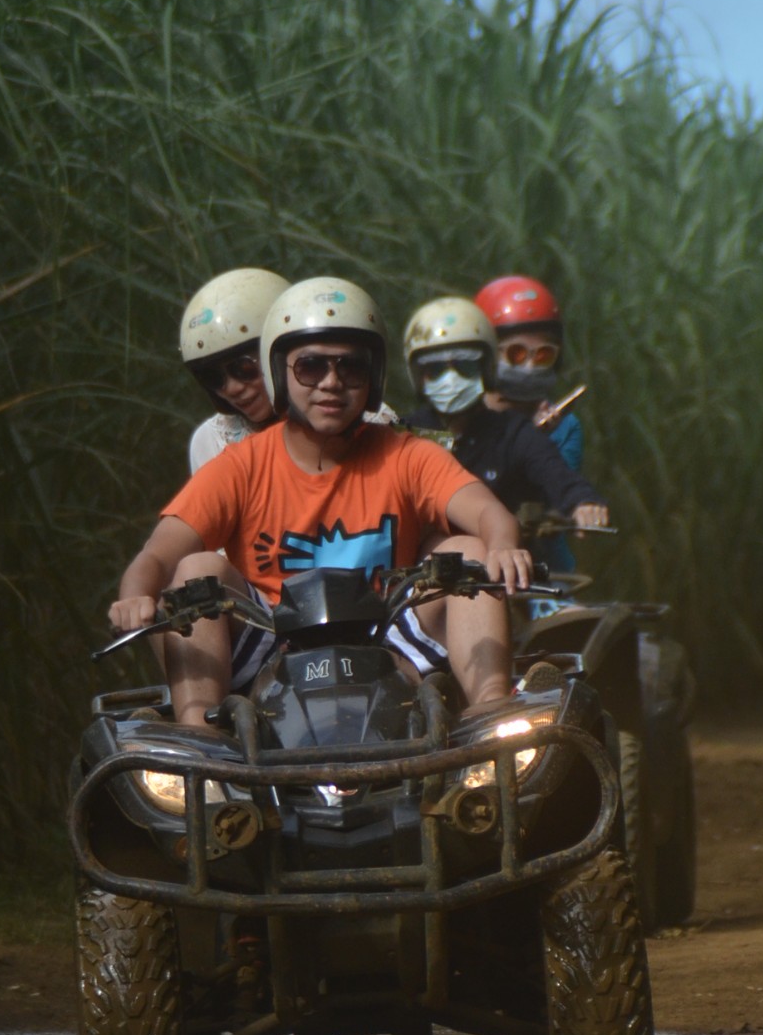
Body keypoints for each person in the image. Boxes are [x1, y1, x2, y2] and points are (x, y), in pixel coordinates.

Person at [111, 278, 533, 727]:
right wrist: (134, 596)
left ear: (373, 378)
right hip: (274, 645)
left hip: (386, 641)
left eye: (351, 368)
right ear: (279, 372)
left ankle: (491, 717)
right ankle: (200, 737)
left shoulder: (408, 453)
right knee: (196, 571)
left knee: (468, 552)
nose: (331, 383)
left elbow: (489, 513)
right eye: (310, 367)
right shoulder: (240, 465)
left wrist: (503, 544)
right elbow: (158, 552)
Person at [401, 297, 609, 549]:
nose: (451, 379)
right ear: (418, 376)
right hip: (413, 576)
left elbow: (556, 474)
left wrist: (583, 503)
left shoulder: (514, 433)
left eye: (465, 366)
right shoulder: (402, 435)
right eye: (435, 370)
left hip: (504, 572)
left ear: (486, 369)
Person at [180, 268, 291, 474]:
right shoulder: (212, 441)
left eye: (244, 368)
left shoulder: (346, 412)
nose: (232, 388)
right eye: (213, 378)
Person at [473, 274, 581, 466]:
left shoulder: (563, 427)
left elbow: (563, 491)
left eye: (543, 355)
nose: (530, 367)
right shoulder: (457, 418)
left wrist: (537, 442)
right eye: (516, 354)